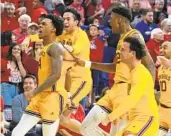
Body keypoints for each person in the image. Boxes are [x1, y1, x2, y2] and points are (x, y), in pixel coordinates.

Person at [77, 4, 155, 135]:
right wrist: (87, 64)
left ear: (119, 19)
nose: (109, 22)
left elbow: (150, 65)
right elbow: (114, 67)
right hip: (114, 90)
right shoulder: (121, 39)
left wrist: (147, 95)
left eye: (111, 19)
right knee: (85, 127)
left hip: (127, 91)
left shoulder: (135, 36)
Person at [12, 14, 67, 136]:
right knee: (17, 133)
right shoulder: (45, 47)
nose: (39, 27)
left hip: (52, 97)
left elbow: (56, 75)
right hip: (40, 96)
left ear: (53, 29)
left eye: (44, 24)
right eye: (40, 24)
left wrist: (33, 92)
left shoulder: (56, 47)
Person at [107, 37, 158, 135]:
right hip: (134, 119)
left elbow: (132, 99)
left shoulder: (140, 73)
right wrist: (121, 114)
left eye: (123, 50)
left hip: (145, 118)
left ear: (133, 54)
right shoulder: (132, 72)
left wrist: (111, 116)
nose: (119, 52)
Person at [57, 7, 92, 134]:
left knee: (61, 116)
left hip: (80, 81)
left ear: (76, 22)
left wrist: (60, 47)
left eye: (68, 19)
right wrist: (29, 39)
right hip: (67, 82)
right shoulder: (63, 34)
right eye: (63, 19)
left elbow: (72, 51)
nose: (65, 22)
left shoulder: (81, 36)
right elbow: (44, 36)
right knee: (60, 118)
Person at [157, 41, 171, 136]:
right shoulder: (160, 68)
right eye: (160, 48)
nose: (161, 50)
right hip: (162, 109)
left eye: (165, 47)